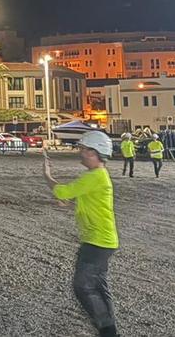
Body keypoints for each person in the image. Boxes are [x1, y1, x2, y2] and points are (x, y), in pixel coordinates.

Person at [44, 130, 120, 337]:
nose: (81, 153)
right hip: (102, 240)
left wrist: (47, 175)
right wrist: (70, 204)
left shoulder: (95, 176)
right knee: (97, 285)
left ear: (95, 152)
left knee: (83, 286)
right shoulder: (97, 176)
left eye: (84, 150)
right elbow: (85, 202)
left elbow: (62, 191)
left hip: (97, 241)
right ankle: (108, 329)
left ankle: (108, 331)